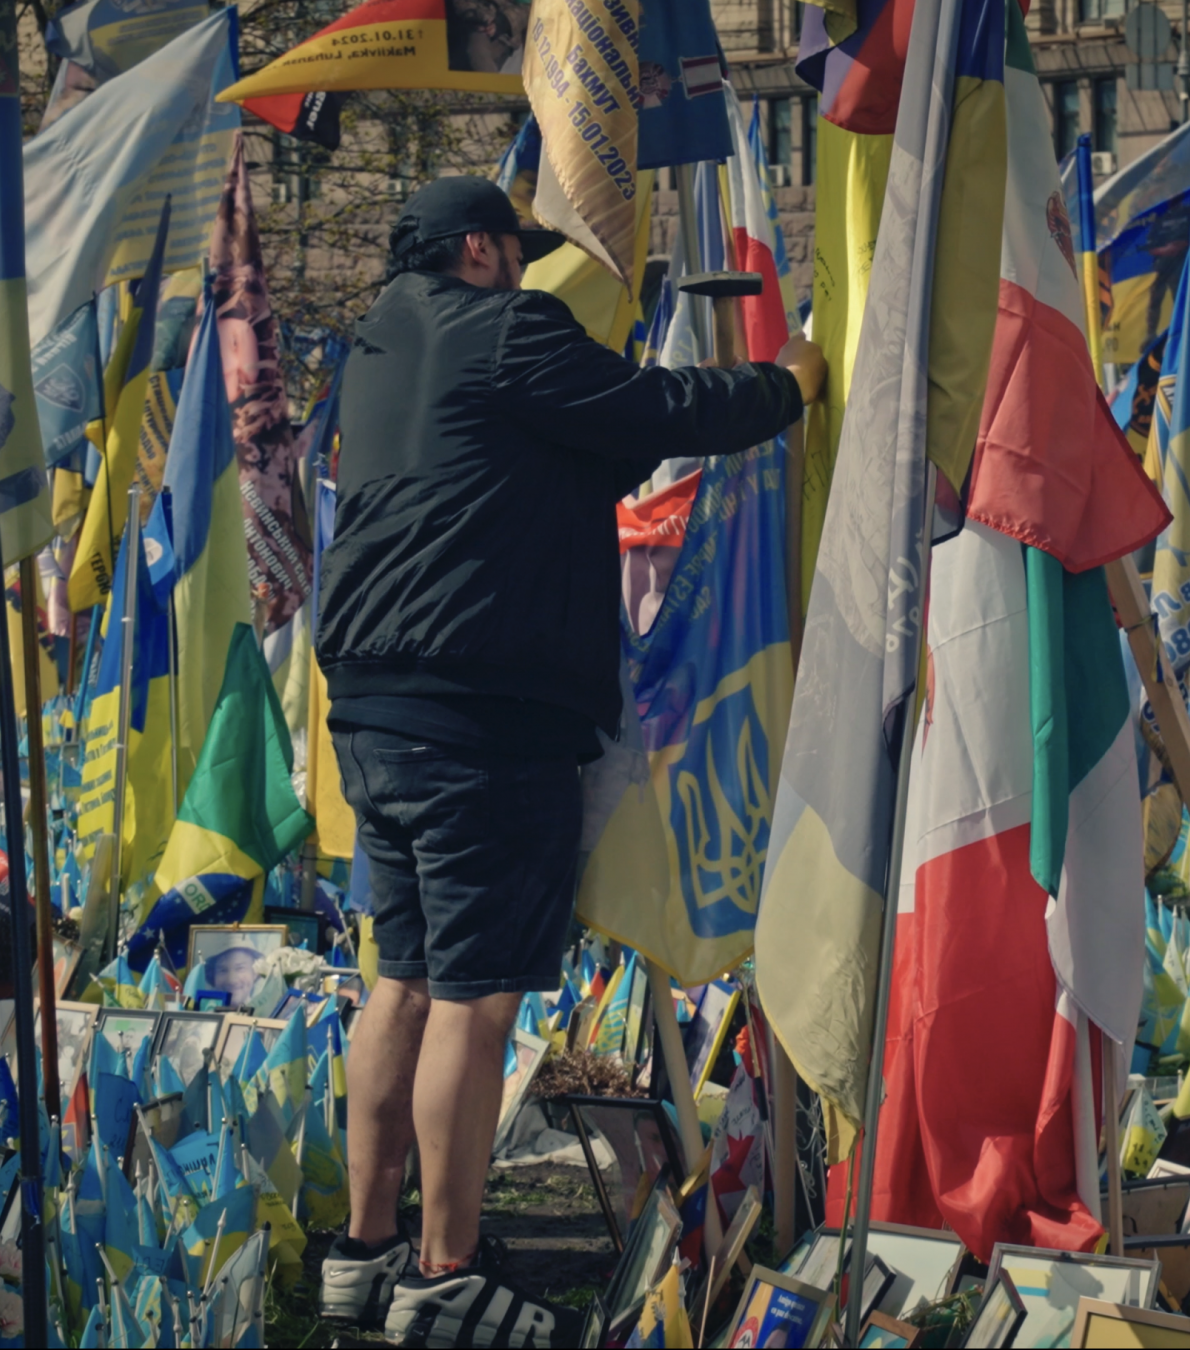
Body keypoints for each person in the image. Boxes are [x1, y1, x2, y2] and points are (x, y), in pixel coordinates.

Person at [313, 176, 822, 1348]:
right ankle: (444, 1274)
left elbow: (518, 468)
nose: (537, 274)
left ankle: (366, 1249)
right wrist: (784, 385)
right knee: (473, 995)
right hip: (484, 713)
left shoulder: (381, 349)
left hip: (380, 710)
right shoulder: (505, 333)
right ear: (483, 254)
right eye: (522, 253)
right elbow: (655, 409)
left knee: (401, 977)